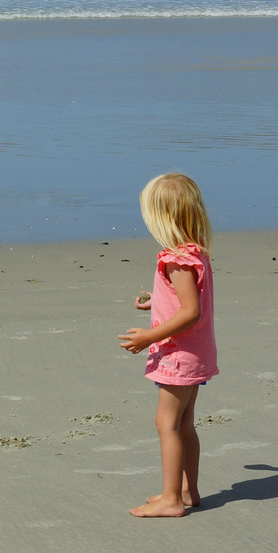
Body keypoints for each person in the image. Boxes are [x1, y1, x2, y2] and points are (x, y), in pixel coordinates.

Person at [117, 172, 218, 517]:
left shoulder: (176, 259)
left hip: (178, 355)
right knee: (185, 424)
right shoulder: (195, 251)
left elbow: (190, 311)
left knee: (166, 424)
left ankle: (171, 498)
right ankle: (189, 491)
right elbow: (185, 302)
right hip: (197, 353)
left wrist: (149, 336)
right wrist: (156, 303)